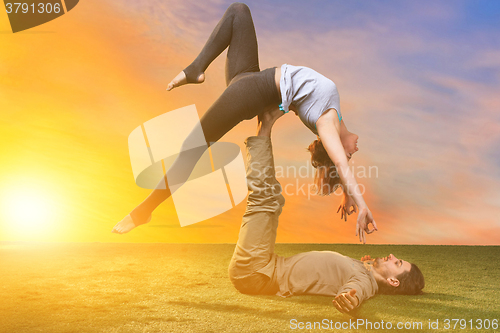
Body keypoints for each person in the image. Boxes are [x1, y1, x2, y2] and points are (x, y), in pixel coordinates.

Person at [112, 2, 376, 243]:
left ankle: (144, 211)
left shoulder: (327, 122)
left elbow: (340, 163)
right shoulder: (335, 114)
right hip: (249, 76)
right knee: (239, 11)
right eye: (351, 154)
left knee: (192, 147)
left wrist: (362, 204)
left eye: (348, 153)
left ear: (334, 148)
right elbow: (341, 165)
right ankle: (196, 68)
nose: (355, 152)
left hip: (251, 93)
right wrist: (346, 194)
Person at [228, 109, 424, 313]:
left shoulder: (364, 283)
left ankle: (265, 125)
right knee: (273, 198)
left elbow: (356, 290)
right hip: (267, 265)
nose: (392, 256)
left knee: (264, 198)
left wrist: (349, 299)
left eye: (398, 262)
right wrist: (367, 263)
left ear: (393, 281)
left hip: (256, 273)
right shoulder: (363, 270)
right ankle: (265, 125)